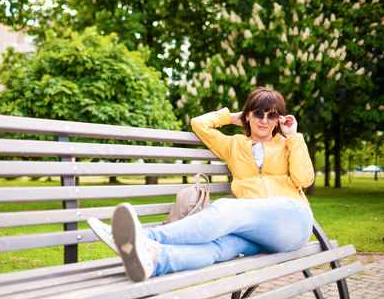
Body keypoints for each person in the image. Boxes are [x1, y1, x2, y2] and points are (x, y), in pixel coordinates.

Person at [88, 86, 315, 283]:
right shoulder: (232, 145)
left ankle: (143, 238)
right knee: (219, 247)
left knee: (227, 208)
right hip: (257, 231)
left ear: (279, 120)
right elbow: (199, 124)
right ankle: (155, 261)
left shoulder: (288, 144)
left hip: (293, 219)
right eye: (257, 114)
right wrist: (231, 116)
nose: (264, 120)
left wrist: (293, 137)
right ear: (248, 116)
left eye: (272, 115)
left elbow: (304, 180)